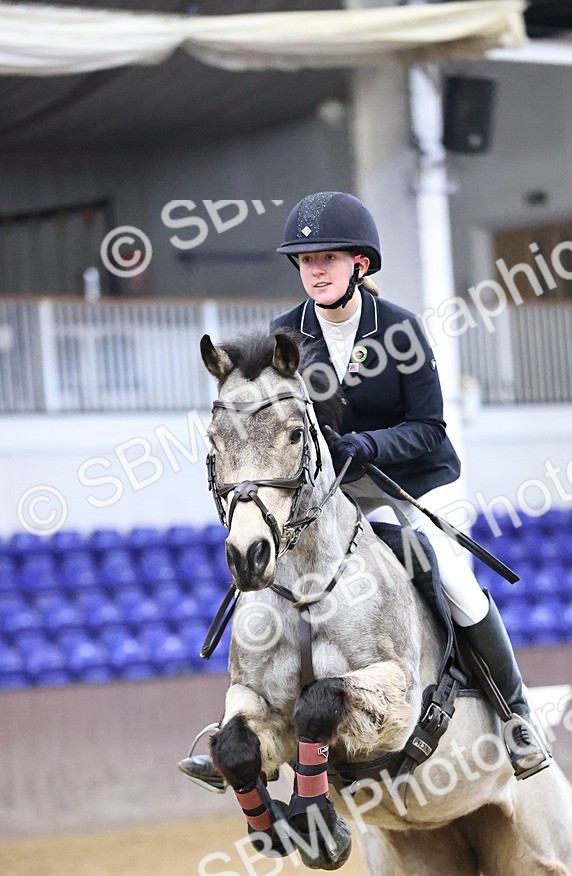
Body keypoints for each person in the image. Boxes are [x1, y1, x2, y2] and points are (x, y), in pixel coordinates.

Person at [180, 191, 551, 791]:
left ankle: (516, 716)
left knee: (454, 578)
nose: (315, 271)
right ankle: (245, 731)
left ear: (359, 264)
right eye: (306, 261)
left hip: (409, 484)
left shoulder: (400, 329)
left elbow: (430, 428)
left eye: (327, 258)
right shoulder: (284, 336)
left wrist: (369, 446)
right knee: (272, 577)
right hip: (328, 493)